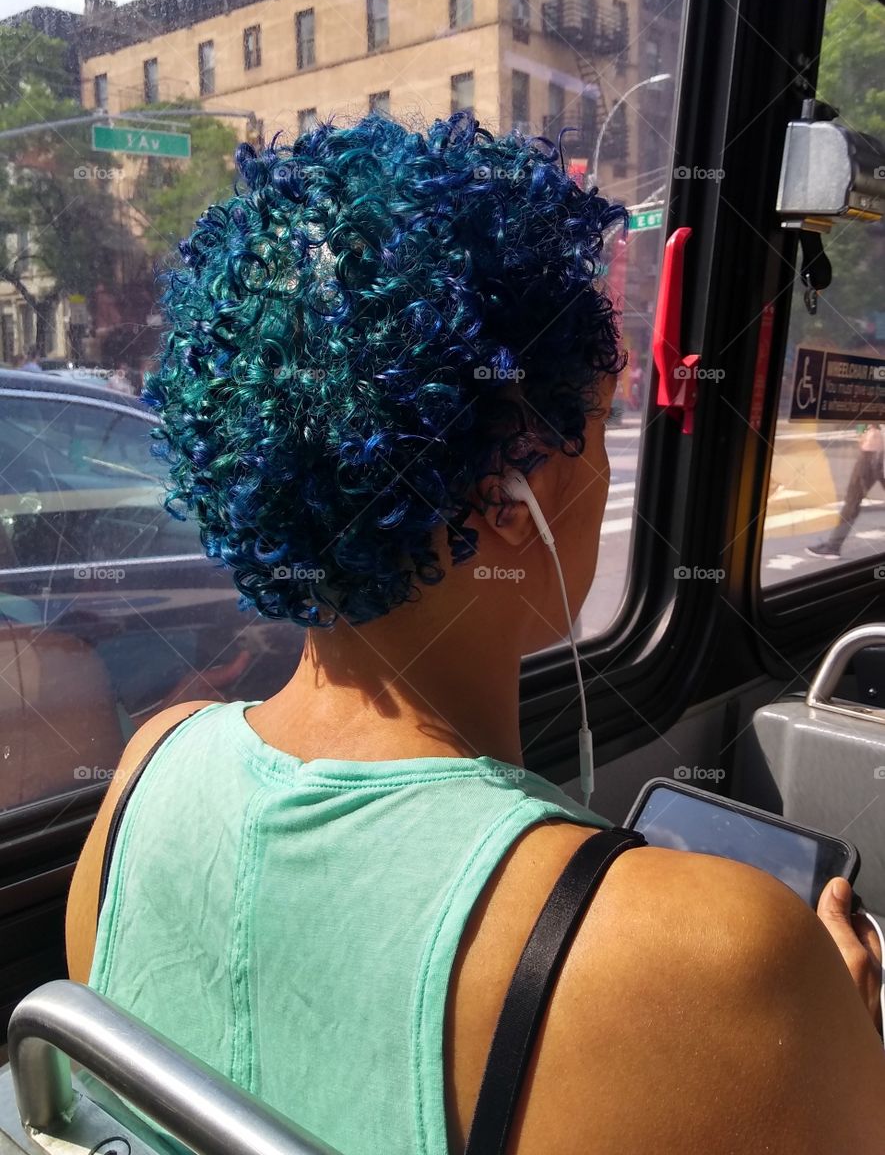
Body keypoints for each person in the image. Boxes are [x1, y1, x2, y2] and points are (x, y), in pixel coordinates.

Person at [66, 114, 885, 1155]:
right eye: (600, 415)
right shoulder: (734, 966)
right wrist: (838, 1032)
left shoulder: (148, 770)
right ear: (513, 491)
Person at [808, 422, 885, 559]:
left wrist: (865, 430)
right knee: (853, 500)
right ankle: (833, 545)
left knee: (852, 500)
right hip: (875, 449)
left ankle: (833, 546)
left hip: (873, 452)